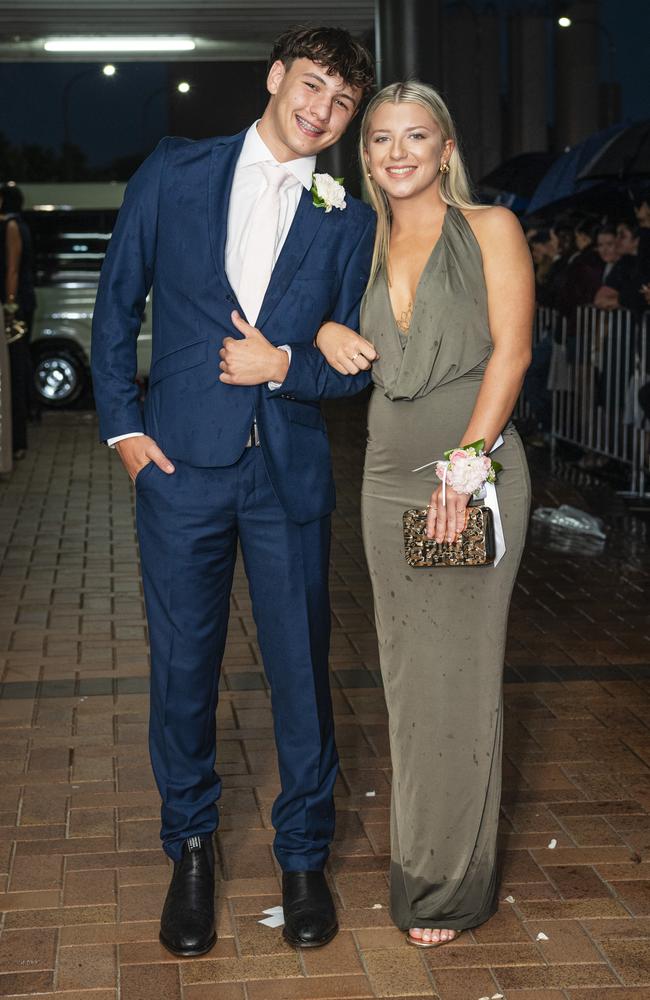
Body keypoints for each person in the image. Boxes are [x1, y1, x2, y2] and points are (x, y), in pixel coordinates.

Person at [91, 25, 376, 958]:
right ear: (275, 78)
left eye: (339, 102)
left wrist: (287, 361)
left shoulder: (349, 216)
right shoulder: (175, 170)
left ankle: (303, 859)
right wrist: (127, 433)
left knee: (301, 675)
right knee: (182, 675)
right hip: (178, 470)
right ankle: (193, 852)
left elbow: (353, 367)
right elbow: (116, 300)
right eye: (310, 86)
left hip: (287, 475)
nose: (320, 111)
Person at [312, 82, 533, 945]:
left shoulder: (491, 230)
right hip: (388, 474)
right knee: (408, 681)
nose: (397, 153)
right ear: (362, 157)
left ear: (446, 148)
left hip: (469, 472)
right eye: (379, 140)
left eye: (416, 137)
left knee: (458, 677)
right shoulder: (354, 240)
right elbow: (309, 329)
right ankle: (422, 867)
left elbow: (510, 356)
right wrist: (327, 330)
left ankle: (448, 888)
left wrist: (467, 465)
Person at [0, 183, 36, 459]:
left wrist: (10, 306)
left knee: (13, 372)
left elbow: (12, 269)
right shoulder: (18, 224)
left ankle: (17, 442)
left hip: (14, 310)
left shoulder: (11, 226)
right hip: (19, 306)